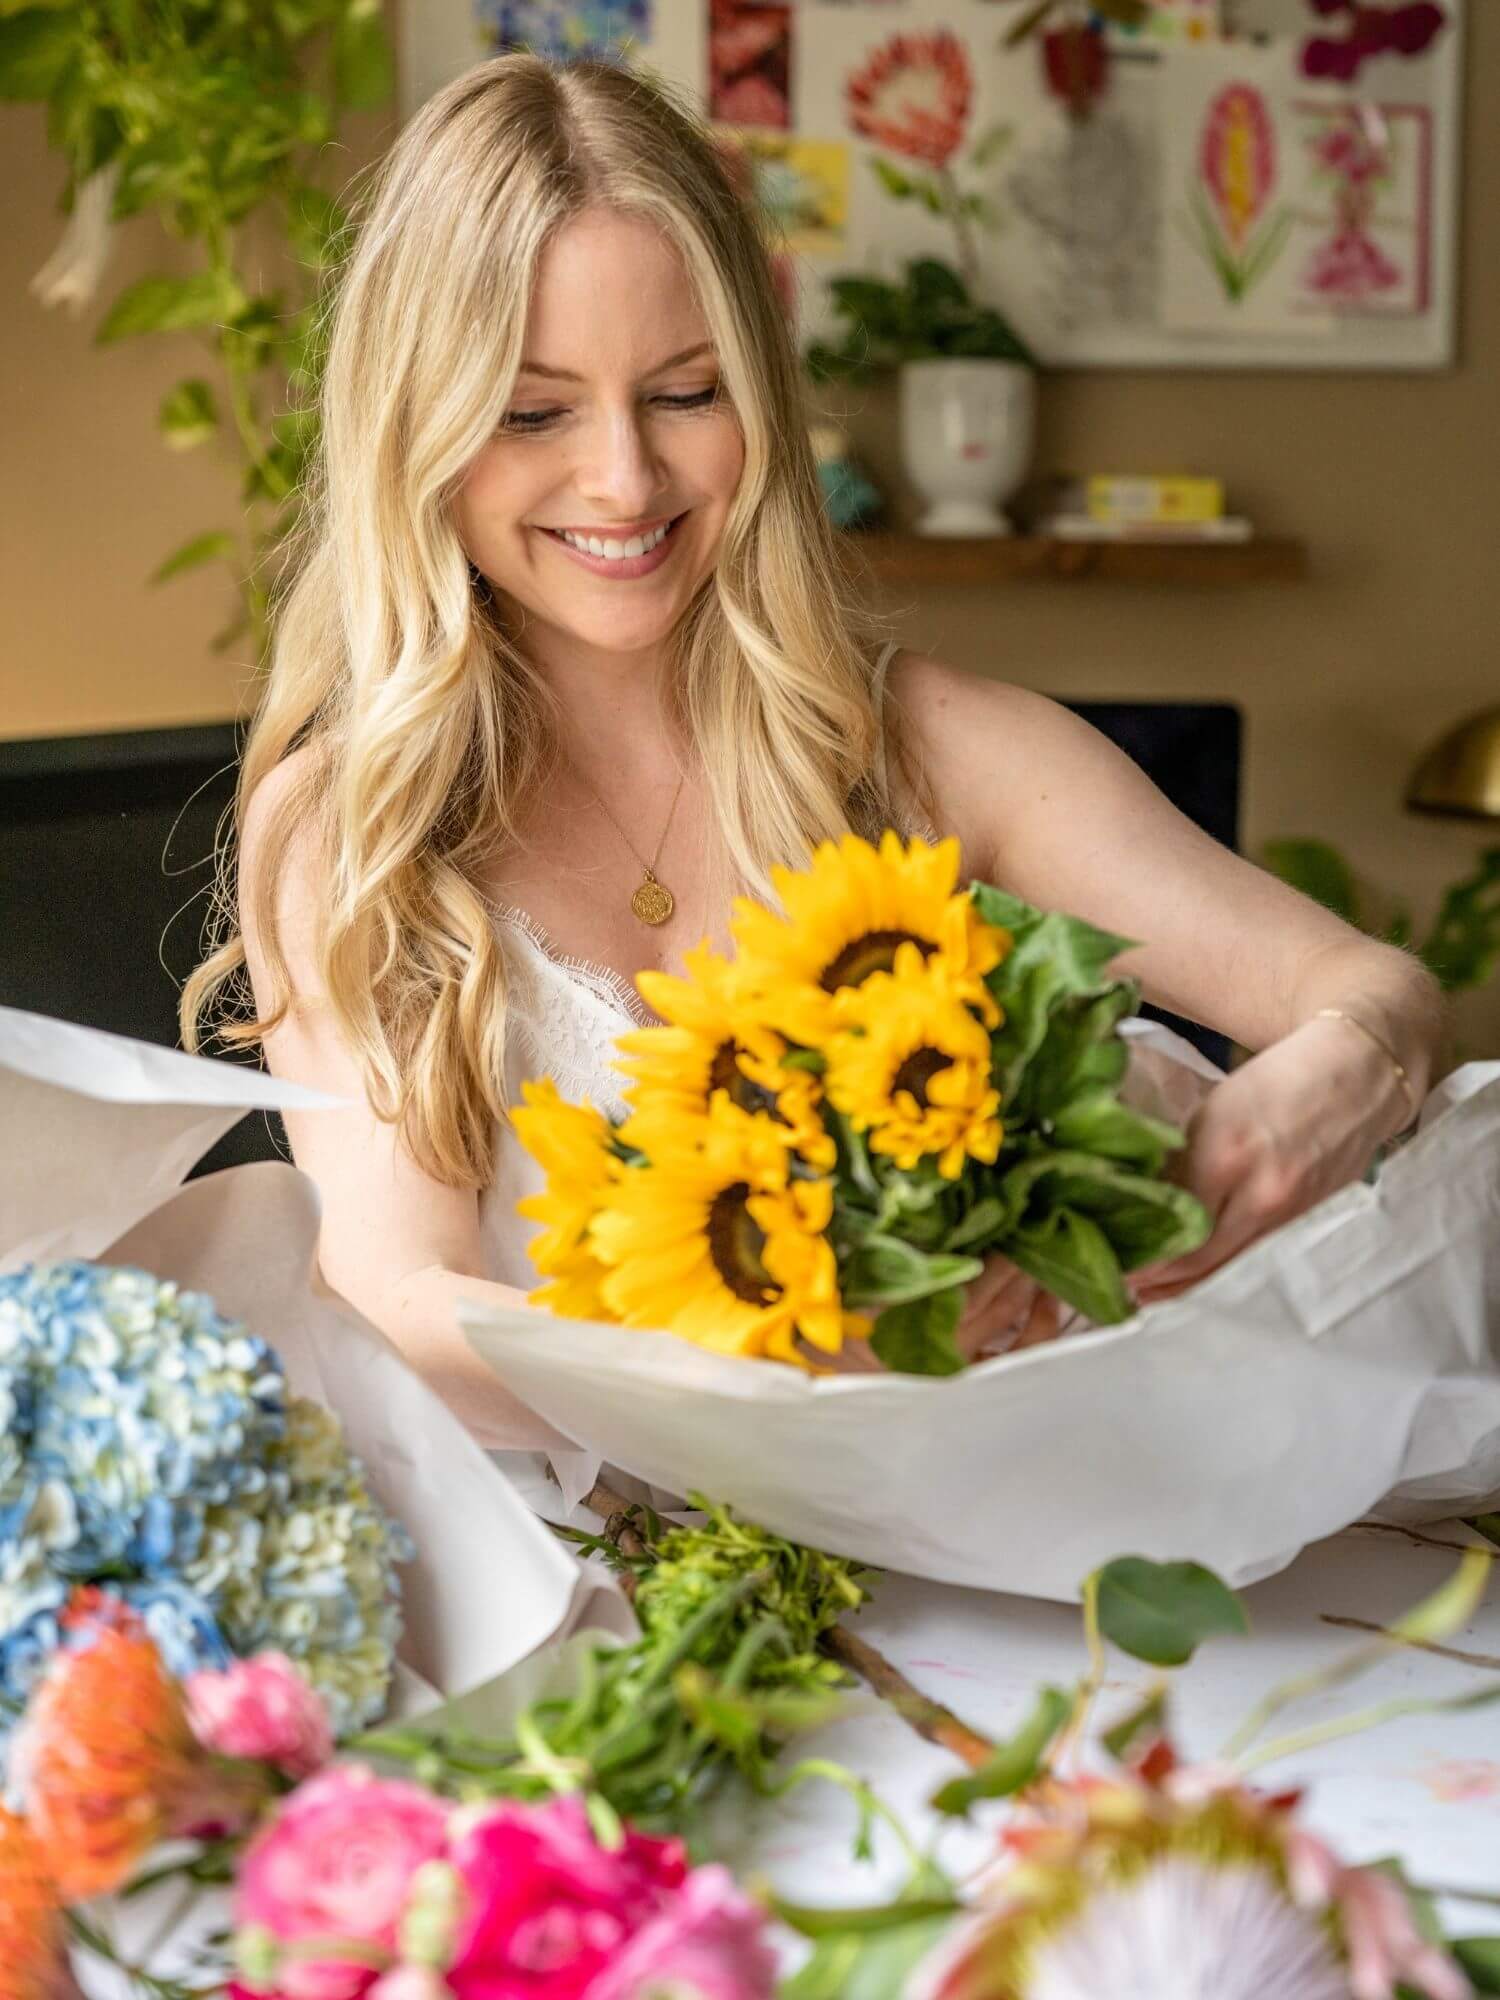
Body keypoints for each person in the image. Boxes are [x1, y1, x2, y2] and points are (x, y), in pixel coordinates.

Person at [183, 54, 1448, 1448]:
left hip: (997, 1536)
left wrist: (1330, 1081)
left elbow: (1366, 984)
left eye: (686, 391)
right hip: (597, 1581)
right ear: (411, 427)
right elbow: (404, 1302)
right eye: (533, 411)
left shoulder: (927, 748)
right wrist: (775, 1345)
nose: (626, 479)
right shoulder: (351, 827)